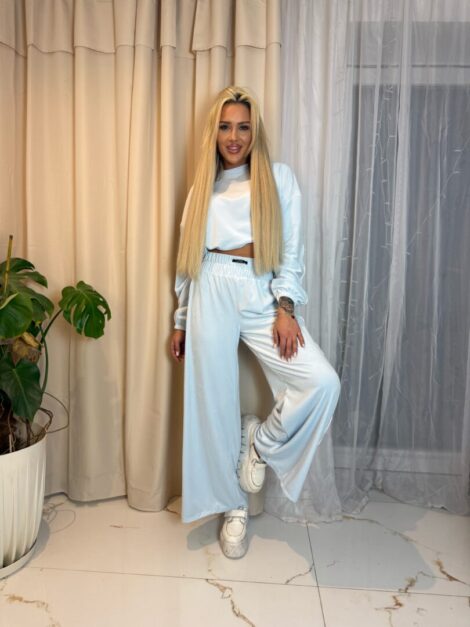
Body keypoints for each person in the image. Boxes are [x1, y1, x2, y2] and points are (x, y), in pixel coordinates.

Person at [170, 86, 340, 559]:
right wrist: (181, 319)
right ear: (214, 132)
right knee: (213, 404)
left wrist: (286, 308)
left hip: (261, 288)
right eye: (225, 127)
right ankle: (233, 507)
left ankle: (260, 443)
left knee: (321, 382)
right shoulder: (204, 186)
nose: (234, 137)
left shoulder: (277, 178)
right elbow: (188, 259)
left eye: (243, 127)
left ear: (254, 130)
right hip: (211, 285)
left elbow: (291, 250)